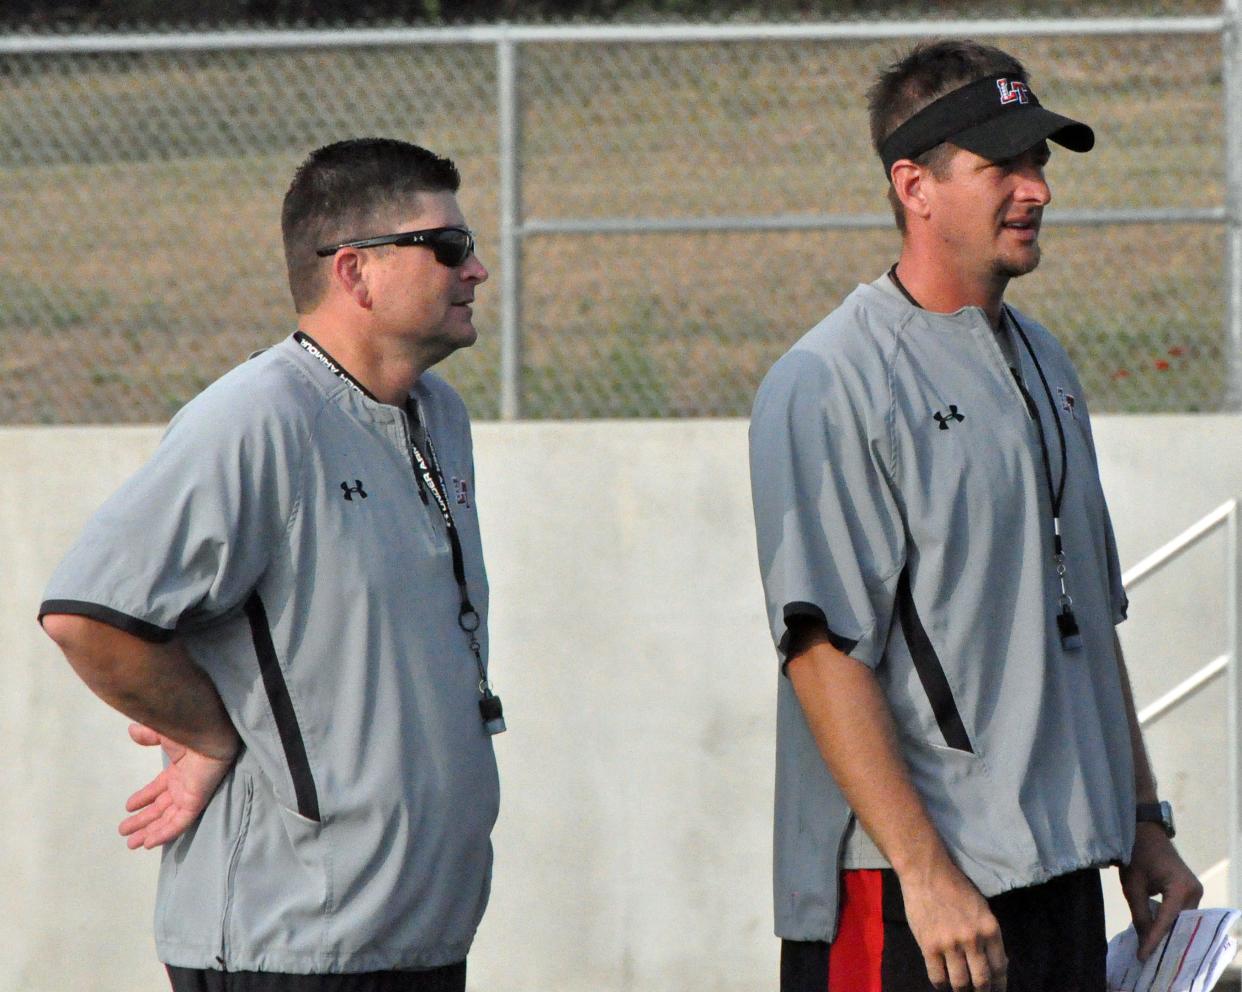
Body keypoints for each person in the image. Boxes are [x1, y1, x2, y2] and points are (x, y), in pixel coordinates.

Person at [749, 40, 1202, 992]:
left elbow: (1084, 617)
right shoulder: (831, 378)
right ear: (913, 185)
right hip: (917, 895)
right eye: (1005, 165)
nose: (1037, 189)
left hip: (1063, 872)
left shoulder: (1045, 360)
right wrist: (925, 871)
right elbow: (822, 653)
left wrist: (1142, 823)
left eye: (1039, 163)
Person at [39, 137, 502, 992]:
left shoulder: (439, 414)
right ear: (356, 272)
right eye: (448, 246)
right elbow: (89, 615)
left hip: (419, 935)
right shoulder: (256, 420)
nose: (475, 269)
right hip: (290, 945)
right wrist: (212, 731)